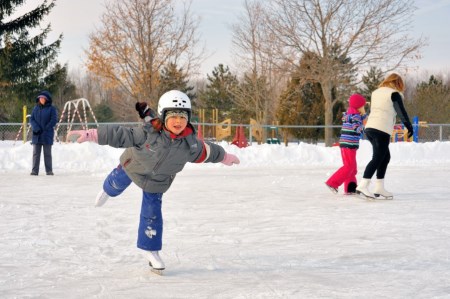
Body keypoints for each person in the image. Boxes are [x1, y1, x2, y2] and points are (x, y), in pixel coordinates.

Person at [68, 90, 240, 273]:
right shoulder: (147, 132)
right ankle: (106, 190)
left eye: (182, 117)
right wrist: (92, 135)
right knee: (115, 183)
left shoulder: (190, 145)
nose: (178, 121)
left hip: (157, 182)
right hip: (133, 166)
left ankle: (150, 250)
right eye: (173, 116)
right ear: (163, 116)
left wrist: (224, 156)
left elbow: (208, 152)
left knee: (152, 215)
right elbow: (120, 134)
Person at [356, 73, 414, 199]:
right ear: (398, 83)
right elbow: (401, 111)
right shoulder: (394, 94)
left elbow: (373, 110)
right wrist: (409, 126)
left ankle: (379, 187)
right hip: (381, 129)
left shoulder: (376, 92)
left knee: (385, 157)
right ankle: (363, 184)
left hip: (371, 128)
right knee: (378, 157)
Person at [325, 94, 367, 195]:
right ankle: (332, 183)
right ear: (359, 106)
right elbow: (358, 130)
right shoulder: (356, 116)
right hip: (349, 145)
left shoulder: (349, 114)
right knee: (349, 166)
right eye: (363, 106)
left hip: (347, 144)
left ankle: (350, 188)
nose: (364, 108)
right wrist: (365, 123)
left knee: (352, 168)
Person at [29, 90, 58, 176]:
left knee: (47, 154)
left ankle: (49, 171)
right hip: (37, 134)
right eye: (40, 98)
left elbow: (54, 120)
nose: (41, 99)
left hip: (47, 134)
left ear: (47, 99)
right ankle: (34, 171)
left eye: (43, 98)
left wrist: (46, 128)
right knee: (36, 154)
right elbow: (31, 119)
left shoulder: (52, 109)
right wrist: (36, 128)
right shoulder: (35, 108)